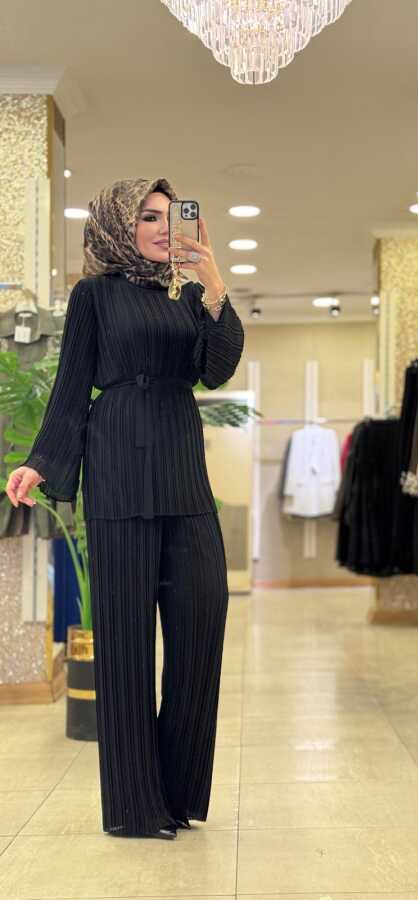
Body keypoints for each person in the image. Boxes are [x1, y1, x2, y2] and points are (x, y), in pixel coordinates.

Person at [6, 177, 245, 840]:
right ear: (118, 225)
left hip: (181, 470)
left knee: (203, 618)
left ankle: (178, 791)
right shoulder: (94, 295)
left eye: (170, 216)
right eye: (148, 217)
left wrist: (215, 285)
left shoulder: (186, 294)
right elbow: (70, 385)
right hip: (116, 470)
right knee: (125, 643)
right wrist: (41, 460)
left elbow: (217, 369)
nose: (164, 227)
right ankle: (137, 807)